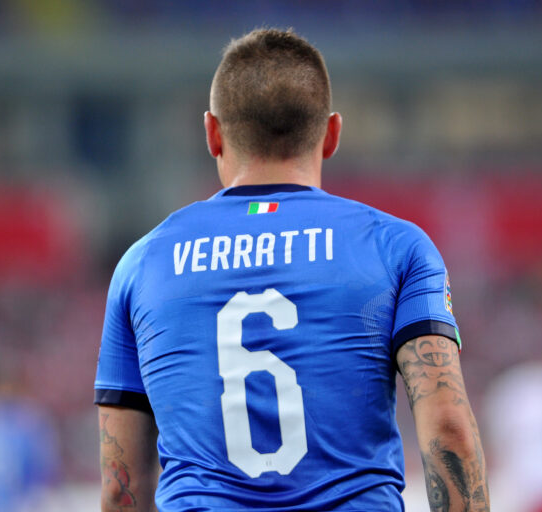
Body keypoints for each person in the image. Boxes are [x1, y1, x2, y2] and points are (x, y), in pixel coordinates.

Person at [94, 28, 489, 511]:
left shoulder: (142, 263)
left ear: (212, 133)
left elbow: (121, 486)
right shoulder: (397, 247)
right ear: (332, 134)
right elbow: (448, 430)